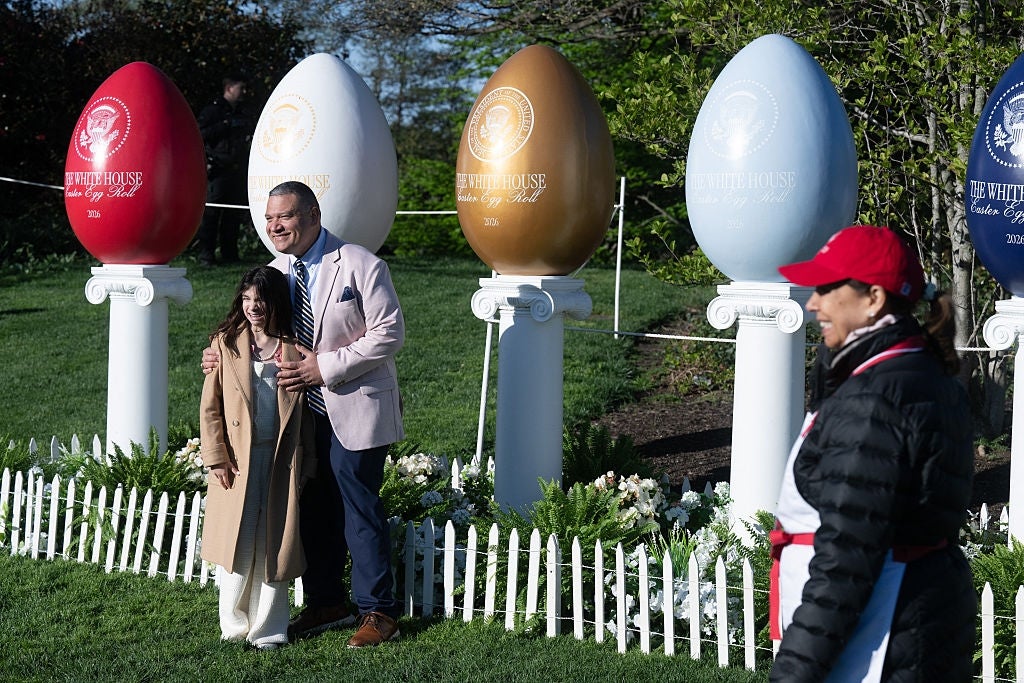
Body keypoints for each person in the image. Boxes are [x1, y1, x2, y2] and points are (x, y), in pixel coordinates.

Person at [202, 180, 405, 647]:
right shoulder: (274, 273)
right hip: (297, 419)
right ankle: (326, 601)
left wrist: (325, 366)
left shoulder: (360, 264)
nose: (274, 226)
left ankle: (380, 612)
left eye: (285, 217)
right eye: (270, 218)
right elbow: (245, 329)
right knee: (309, 506)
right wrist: (214, 354)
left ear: (313, 215)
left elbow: (389, 332)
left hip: (355, 406)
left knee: (358, 506)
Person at [769, 224, 975, 681]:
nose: (812, 302)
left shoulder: (874, 399)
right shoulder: (919, 374)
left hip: (882, 638)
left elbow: (846, 561)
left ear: (874, 299)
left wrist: (793, 674)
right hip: (915, 625)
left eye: (826, 287)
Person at [199, 265, 316, 650]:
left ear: (275, 302)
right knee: (240, 540)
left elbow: (306, 417)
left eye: (260, 299)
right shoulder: (226, 344)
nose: (253, 307)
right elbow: (210, 408)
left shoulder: (293, 348)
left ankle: (269, 629)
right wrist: (216, 457)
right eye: (247, 299)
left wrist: (306, 462)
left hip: (281, 460)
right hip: (237, 462)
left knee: (275, 546)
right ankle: (233, 624)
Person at [196, 73, 255, 266]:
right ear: (229, 88)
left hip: (237, 170)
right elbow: (199, 134)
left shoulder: (243, 112)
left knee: (233, 214)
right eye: (241, 88)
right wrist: (225, 125)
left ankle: (230, 253)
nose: (244, 92)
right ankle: (207, 255)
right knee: (212, 214)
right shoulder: (213, 111)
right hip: (218, 170)